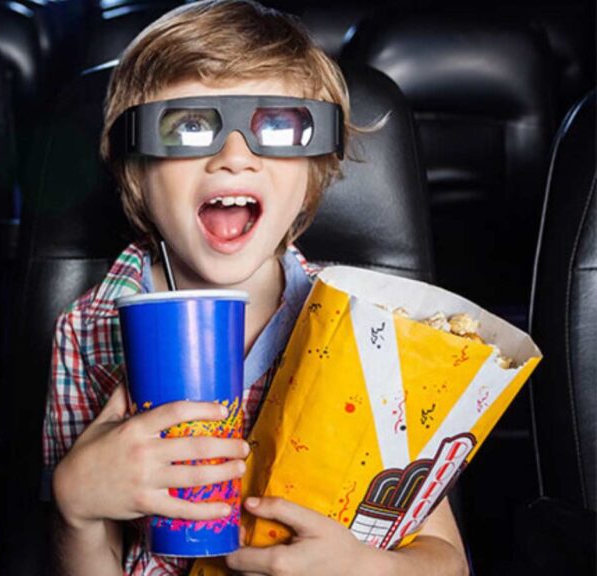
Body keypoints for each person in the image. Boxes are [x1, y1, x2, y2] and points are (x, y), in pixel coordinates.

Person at [41, 1, 471, 575]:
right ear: (138, 174)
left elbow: (445, 559)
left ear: (313, 174)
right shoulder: (88, 332)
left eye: (278, 128)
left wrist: (375, 568)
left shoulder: (369, 332)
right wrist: (78, 511)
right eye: (189, 127)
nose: (234, 158)